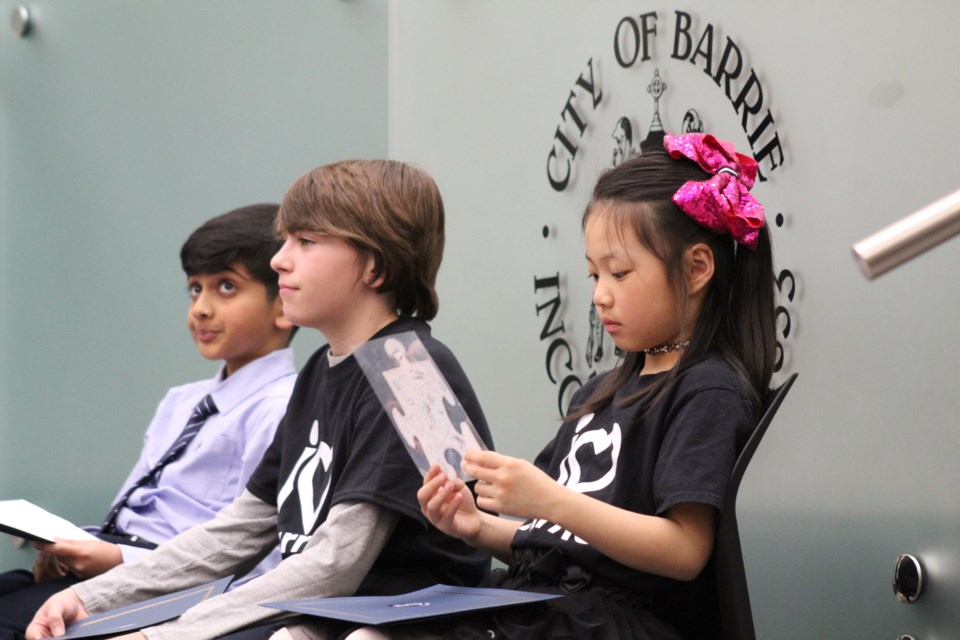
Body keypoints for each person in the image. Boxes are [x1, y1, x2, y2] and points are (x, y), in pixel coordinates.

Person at [25, 159, 494, 640]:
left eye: (306, 242)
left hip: (408, 618)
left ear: (377, 266)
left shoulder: (409, 371)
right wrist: (91, 598)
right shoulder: (320, 369)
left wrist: (162, 635)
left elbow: (338, 565)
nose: (279, 259)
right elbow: (239, 530)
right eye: (285, 239)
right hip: (328, 612)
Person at [337, 133, 777, 640]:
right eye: (593, 275)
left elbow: (685, 551)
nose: (600, 296)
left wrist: (549, 499)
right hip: (553, 606)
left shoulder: (708, 390)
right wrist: (476, 527)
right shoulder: (600, 391)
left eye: (620, 273)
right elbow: (559, 544)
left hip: (618, 623)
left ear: (697, 267)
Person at [0, 204, 297, 638]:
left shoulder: (282, 408)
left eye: (226, 287)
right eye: (195, 289)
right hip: (112, 571)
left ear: (283, 307)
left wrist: (118, 562)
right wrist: (78, 546)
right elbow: (136, 507)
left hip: (177, 590)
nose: (201, 309)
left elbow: (257, 553)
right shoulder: (182, 401)